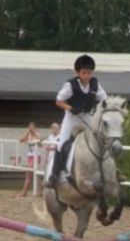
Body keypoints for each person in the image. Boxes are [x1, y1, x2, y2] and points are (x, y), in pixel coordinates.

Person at [45, 54, 108, 186]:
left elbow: (104, 100)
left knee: (100, 140)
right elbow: (58, 101)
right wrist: (70, 108)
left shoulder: (95, 84)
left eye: (89, 73)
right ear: (77, 73)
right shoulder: (70, 85)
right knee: (62, 144)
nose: (86, 76)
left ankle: (109, 171)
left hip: (87, 117)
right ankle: (54, 175)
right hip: (72, 117)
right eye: (83, 73)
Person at [18, 122, 41, 196]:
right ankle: (39, 190)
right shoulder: (28, 135)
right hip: (30, 156)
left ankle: (24, 192)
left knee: (29, 173)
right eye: (29, 127)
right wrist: (27, 132)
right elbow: (20, 140)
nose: (31, 128)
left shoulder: (37, 134)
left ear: (35, 127)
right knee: (34, 174)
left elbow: (40, 142)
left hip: (36, 156)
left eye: (32, 127)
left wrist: (33, 133)